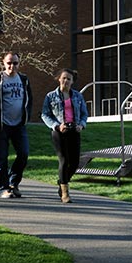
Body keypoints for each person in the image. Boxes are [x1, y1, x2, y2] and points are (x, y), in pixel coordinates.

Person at [0, 51, 34, 199]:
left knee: (23, 154)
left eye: (15, 63)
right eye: (9, 63)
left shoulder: (24, 80)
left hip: (19, 125)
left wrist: (26, 117)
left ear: (19, 63)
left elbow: (29, 100)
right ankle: (4, 188)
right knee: (2, 157)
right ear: (3, 63)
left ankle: (14, 183)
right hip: (2, 125)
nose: (12, 66)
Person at [41, 68, 89, 203]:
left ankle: (62, 182)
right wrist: (56, 125)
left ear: (72, 81)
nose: (66, 81)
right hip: (59, 132)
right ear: (59, 79)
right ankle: (65, 193)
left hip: (74, 131)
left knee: (74, 163)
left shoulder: (78, 96)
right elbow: (45, 114)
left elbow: (85, 114)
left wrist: (81, 125)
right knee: (64, 160)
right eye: (64, 78)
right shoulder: (51, 96)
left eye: (69, 79)